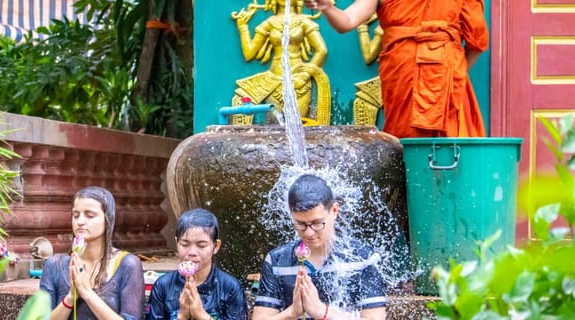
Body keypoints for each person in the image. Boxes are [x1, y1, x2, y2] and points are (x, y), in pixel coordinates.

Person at [305, 0, 489, 138]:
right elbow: (347, 21)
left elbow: (477, 42)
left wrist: (451, 74)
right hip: (401, 75)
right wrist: (328, 8)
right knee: (404, 137)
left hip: (448, 80)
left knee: (451, 146)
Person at [253, 174, 386, 320]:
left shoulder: (363, 258)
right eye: (300, 224)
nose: (309, 232)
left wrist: (322, 311)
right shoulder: (277, 260)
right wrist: (292, 312)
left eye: (317, 223)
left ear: (334, 211)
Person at [39, 186, 145, 320]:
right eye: (75, 215)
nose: (80, 222)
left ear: (108, 219)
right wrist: (71, 298)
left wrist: (88, 293)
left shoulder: (127, 265)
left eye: (89, 215)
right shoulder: (54, 265)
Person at [230, 0, 332, 126]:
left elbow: (322, 50)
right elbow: (249, 53)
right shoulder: (269, 23)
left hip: (299, 83)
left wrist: (304, 76)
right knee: (273, 128)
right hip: (274, 82)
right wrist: (243, 27)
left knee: (299, 127)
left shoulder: (303, 22)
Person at [145, 208, 247, 320]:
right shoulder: (163, 286)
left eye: (201, 245)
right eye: (184, 244)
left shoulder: (230, 287)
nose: (192, 253)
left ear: (215, 246)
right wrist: (182, 316)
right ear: (176, 243)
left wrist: (200, 314)